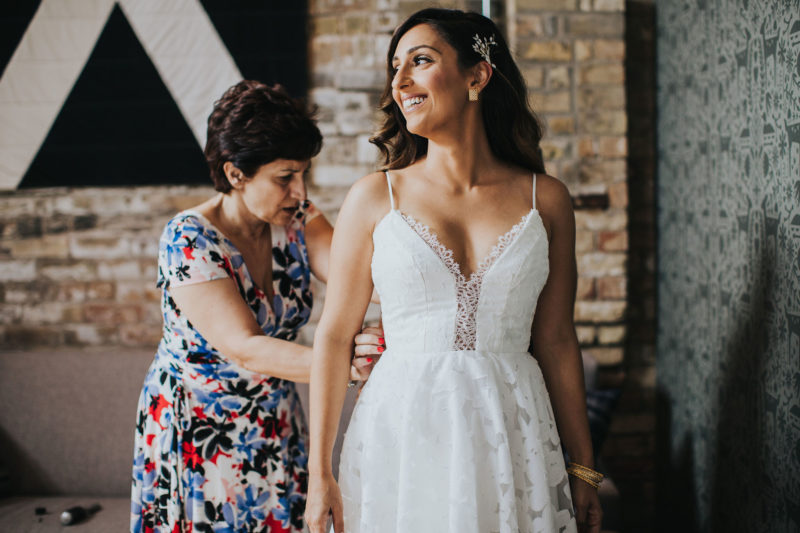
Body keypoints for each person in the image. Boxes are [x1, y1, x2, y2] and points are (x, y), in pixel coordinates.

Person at [305, 8, 603, 533]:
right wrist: (318, 474)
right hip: (401, 433)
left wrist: (582, 469)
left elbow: (556, 340)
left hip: (514, 431)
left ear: (476, 76)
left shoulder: (546, 199)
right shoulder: (375, 196)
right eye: (394, 67)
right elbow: (333, 337)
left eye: (420, 61)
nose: (399, 82)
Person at [130, 80, 384, 533]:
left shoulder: (298, 218)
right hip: (201, 434)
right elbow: (246, 347)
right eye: (285, 177)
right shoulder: (189, 239)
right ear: (235, 174)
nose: (300, 191)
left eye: (304, 173)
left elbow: (361, 277)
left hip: (275, 421)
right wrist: (347, 362)